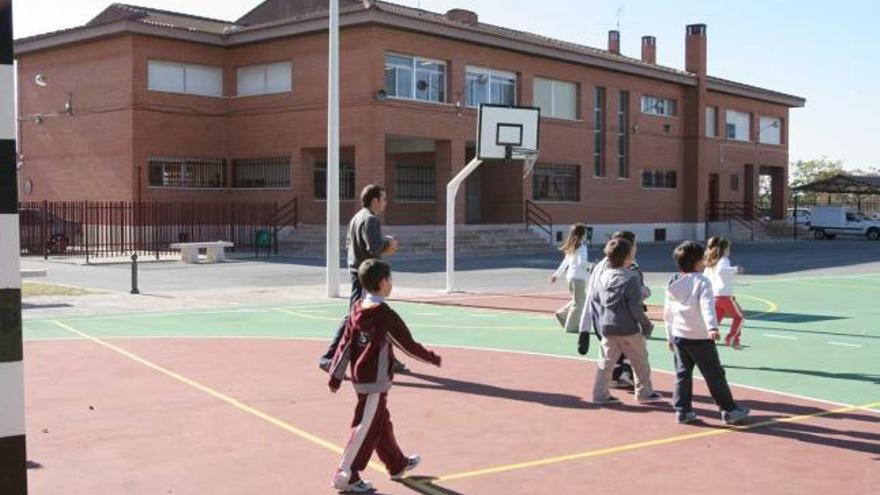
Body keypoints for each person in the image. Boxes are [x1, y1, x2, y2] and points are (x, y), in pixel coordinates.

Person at [328, 259, 442, 493]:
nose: (392, 283)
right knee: (364, 427)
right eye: (390, 279)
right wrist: (432, 357)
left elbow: (345, 345)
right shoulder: (385, 315)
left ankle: (397, 463)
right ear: (382, 283)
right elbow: (408, 345)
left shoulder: (357, 309)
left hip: (363, 379)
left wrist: (336, 375)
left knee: (380, 423)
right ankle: (346, 474)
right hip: (374, 384)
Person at [319, 184, 404, 373]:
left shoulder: (357, 217)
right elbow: (373, 246)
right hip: (367, 276)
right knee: (354, 319)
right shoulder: (371, 220)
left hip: (358, 272)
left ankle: (389, 360)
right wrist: (388, 243)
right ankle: (329, 358)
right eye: (384, 199)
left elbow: (349, 245)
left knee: (377, 318)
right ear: (375, 200)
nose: (386, 202)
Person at [664, 241, 750, 425]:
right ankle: (729, 410)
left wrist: (669, 335)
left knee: (682, 374)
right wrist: (712, 327)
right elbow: (706, 306)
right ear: (698, 263)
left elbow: (668, 312)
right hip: (700, 337)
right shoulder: (702, 281)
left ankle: (683, 411)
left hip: (680, 336)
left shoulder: (673, 281)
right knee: (714, 374)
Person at [589, 238, 661, 405]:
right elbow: (635, 307)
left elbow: (595, 298)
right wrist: (646, 324)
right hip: (628, 327)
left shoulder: (603, 277)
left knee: (606, 363)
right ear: (628, 257)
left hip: (607, 326)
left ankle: (600, 394)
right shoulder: (631, 278)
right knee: (640, 360)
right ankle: (644, 392)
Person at [703, 236, 746, 349]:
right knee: (739, 317)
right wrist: (736, 269)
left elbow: (705, 277)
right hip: (724, 295)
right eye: (728, 248)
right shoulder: (723, 260)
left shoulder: (710, 263)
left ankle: (705, 341)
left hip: (714, 296)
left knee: (716, 320)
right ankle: (731, 339)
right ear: (724, 249)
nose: (729, 251)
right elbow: (722, 272)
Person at [550, 224, 590, 333]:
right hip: (578, 278)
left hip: (571, 277)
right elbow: (582, 263)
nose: (586, 235)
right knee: (579, 303)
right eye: (585, 233)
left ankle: (562, 314)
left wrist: (556, 275)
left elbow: (565, 263)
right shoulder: (582, 247)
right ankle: (571, 327)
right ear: (581, 235)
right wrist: (591, 266)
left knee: (578, 300)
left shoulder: (572, 247)